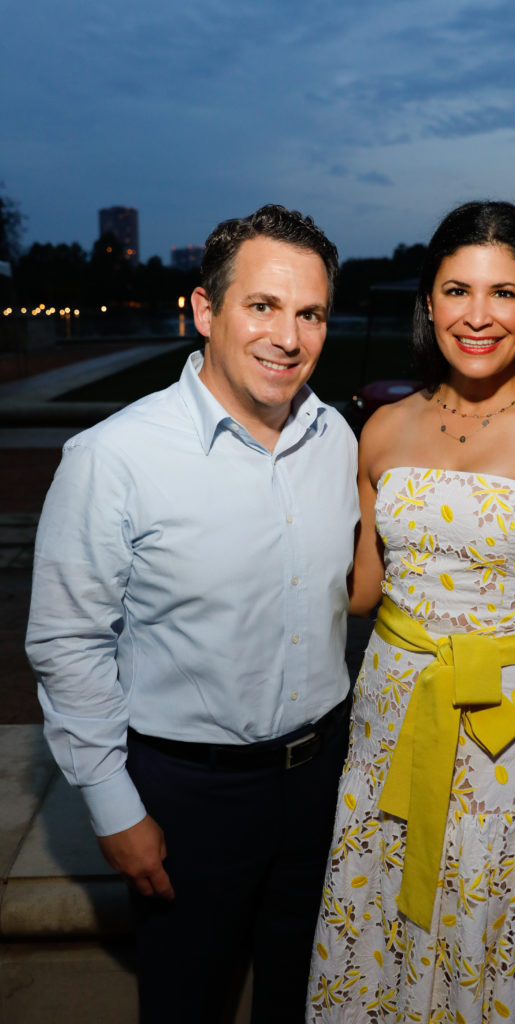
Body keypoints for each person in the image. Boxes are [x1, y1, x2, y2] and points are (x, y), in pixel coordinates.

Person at [26, 205, 359, 1023]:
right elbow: (68, 643)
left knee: (309, 999)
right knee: (187, 1003)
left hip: (323, 781)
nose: (288, 337)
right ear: (205, 310)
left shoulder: (337, 440)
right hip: (188, 797)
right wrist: (113, 805)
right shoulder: (113, 457)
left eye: (310, 313)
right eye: (262, 306)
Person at [307, 201, 515, 1022]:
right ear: (429, 302)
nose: (477, 316)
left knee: (494, 956)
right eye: (457, 291)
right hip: (386, 737)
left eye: (503, 293)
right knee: (378, 940)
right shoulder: (382, 429)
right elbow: (360, 593)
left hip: (507, 758)